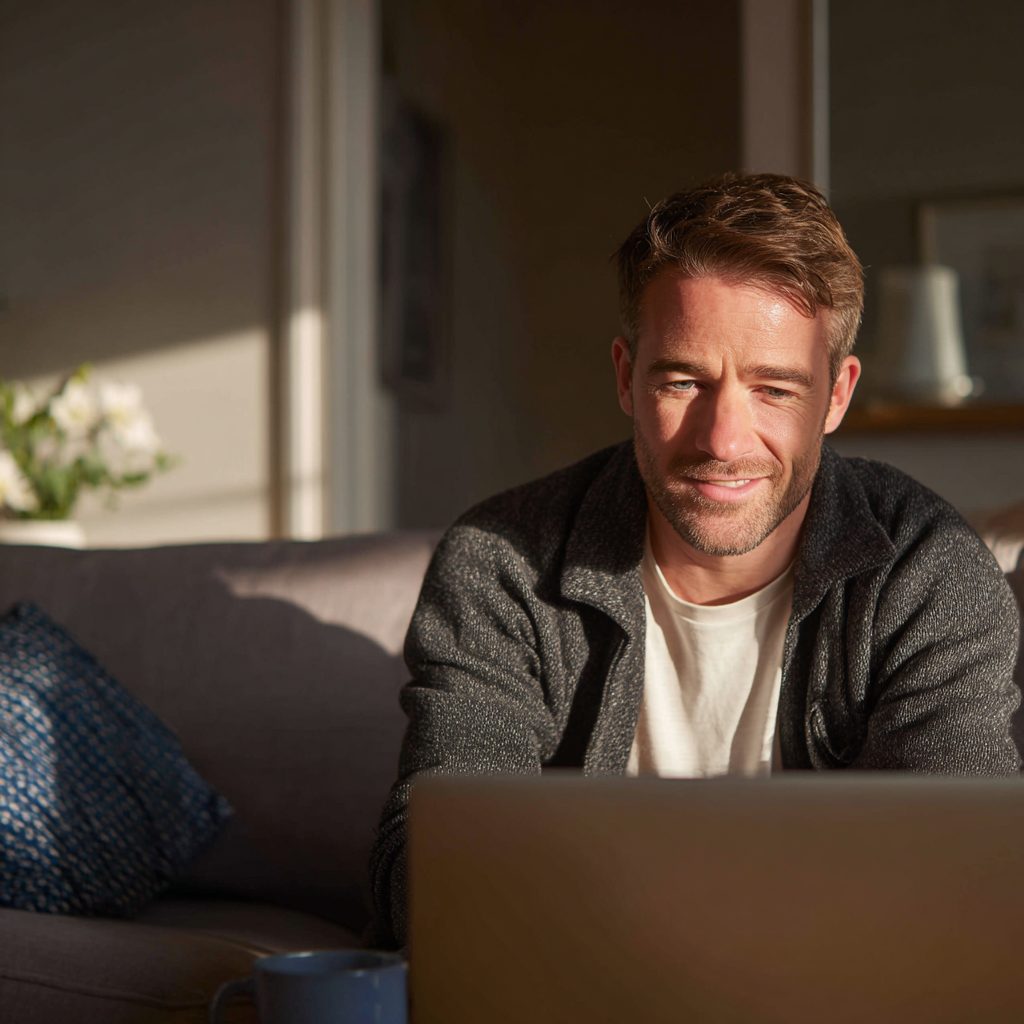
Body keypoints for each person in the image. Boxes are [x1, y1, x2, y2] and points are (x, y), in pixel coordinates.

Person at [369, 173, 1021, 947]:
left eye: (774, 389)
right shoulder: (501, 565)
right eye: (684, 381)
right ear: (625, 376)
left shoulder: (926, 572)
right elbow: (427, 873)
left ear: (837, 396)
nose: (722, 441)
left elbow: (963, 872)